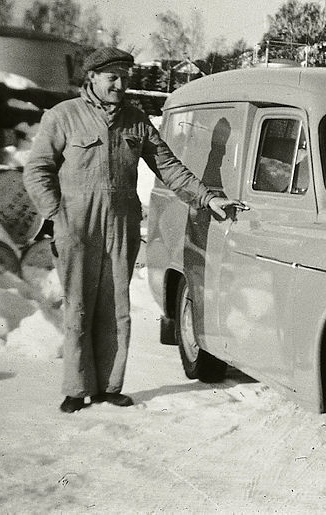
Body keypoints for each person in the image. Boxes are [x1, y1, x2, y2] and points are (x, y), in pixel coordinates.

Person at [23, 47, 242, 413]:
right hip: (76, 223)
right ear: (91, 77)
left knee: (116, 307)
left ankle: (110, 386)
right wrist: (55, 213)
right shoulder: (63, 117)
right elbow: (37, 169)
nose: (120, 84)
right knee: (78, 306)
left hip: (121, 224)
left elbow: (169, 167)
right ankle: (76, 389)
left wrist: (207, 199)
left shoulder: (136, 120)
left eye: (125, 77)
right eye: (113, 77)